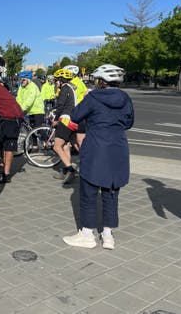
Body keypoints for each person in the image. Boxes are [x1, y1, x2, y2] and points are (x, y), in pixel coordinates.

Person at [62, 64, 133, 250]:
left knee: (88, 192)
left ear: (101, 81)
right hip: (118, 148)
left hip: (96, 147)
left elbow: (75, 116)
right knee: (111, 191)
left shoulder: (93, 97)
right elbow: (129, 122)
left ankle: (87, 234)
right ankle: (108, 235)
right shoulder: (125, 98)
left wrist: (85, 101)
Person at [51, 68, 78, 184]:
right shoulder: (71, 88)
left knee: (57, 147)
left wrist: (56, 120)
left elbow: (60, 106)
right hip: (73, 120)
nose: (56, 83)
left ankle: (71, 170)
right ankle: (66, 171)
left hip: (65, 120)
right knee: (66, 145)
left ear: (61, 81)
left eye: (56, 80)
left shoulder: (64, 89)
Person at [63, 64, 89, 148]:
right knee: (74, 137)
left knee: (76, 137)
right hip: (79, 111)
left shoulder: (74, 83)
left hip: (77, 111)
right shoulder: (78, 82)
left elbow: (71, 99)